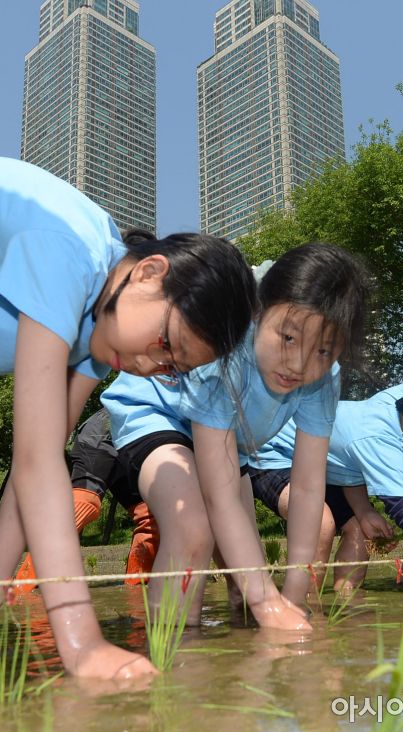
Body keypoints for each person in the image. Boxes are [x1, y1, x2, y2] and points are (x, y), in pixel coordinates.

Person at [0, 157, 256, 681]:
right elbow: (33, 465)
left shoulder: (98, 338)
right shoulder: (71, 251)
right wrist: (81, 643)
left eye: (170, 368)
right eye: (166, 344)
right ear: (150, 271)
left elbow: (39, 461)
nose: (147, 365)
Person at [102, 242, 369, 629]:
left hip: (227, 445)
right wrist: (268, 603)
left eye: (323, 350)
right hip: (160, 415)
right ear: (259, 312)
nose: (298, 364)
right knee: (194, 528)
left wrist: (292, 595)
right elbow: (219, 496)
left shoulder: (323, 380)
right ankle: (178, 660)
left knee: (245, 580)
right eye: (288, 338)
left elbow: (309, 488)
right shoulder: (225, 346)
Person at [250, 365, 403, 595]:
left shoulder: (402, 420)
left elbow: (347, 463)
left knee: (358, 529)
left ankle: (345, 601)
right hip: (271, 455)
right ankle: (302, 608)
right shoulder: (381, 438)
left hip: (321, 465)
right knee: (320, 522)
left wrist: (364, 510)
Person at [14, 408, 158, 592]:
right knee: (84, 503)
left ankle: (136, 593)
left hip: (139, 443)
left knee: (150, 516)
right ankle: (20, 588)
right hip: (103, 433)